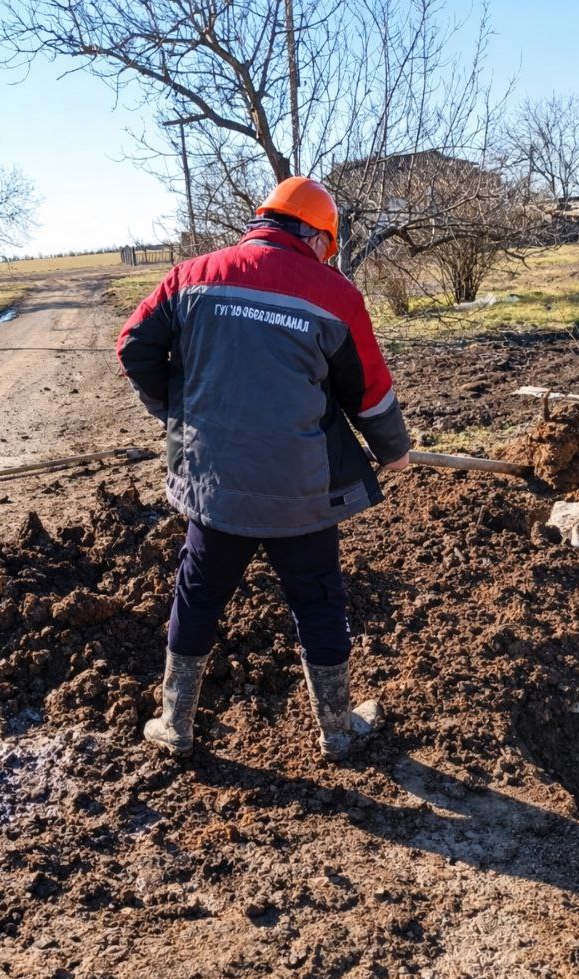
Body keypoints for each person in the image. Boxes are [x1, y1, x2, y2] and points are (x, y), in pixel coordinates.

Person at [116, 176, 410, 761]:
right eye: (327, 245)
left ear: (263, 221)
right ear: (316, 236)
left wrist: (178, 411)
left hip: (213, 483)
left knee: (198, 593)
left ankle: (175, 723)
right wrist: (393, 449)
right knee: (318, 599)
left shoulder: (191, 276)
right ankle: (337, 729)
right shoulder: (334, 294)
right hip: (298, 489)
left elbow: (133, 346)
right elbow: (368, 390)